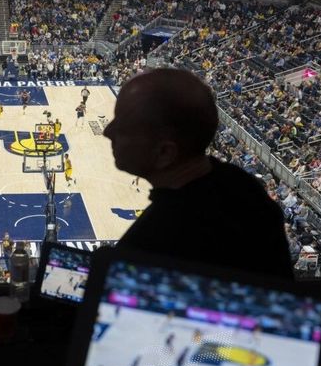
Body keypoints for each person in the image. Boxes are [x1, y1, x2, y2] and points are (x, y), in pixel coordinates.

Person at [104, 69, 292, 278]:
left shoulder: (153, 243)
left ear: (165, 152)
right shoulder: (243, 186)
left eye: (123, 126)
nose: (107, 131)